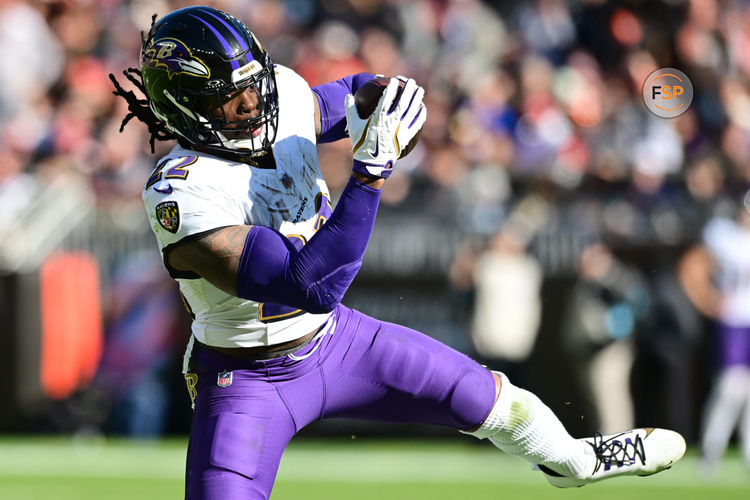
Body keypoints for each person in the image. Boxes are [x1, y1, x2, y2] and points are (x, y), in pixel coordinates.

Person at [111, 6, 686, 499]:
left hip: (335, 339)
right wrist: (371, 172)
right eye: (233, 100)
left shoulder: (277, 93)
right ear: (186, 110)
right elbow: (310, 283)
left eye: (255, 86)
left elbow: (344, 98)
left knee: (492, 400)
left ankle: (578, 463)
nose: (255, 104)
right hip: (246, 377)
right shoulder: (182, 191)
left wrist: (387, 100)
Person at [679, 190, 750, 476]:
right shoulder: (724, 236)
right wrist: (707, 300)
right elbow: (692, 265)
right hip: (734, 320)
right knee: (730, 389)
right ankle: (711, 450)